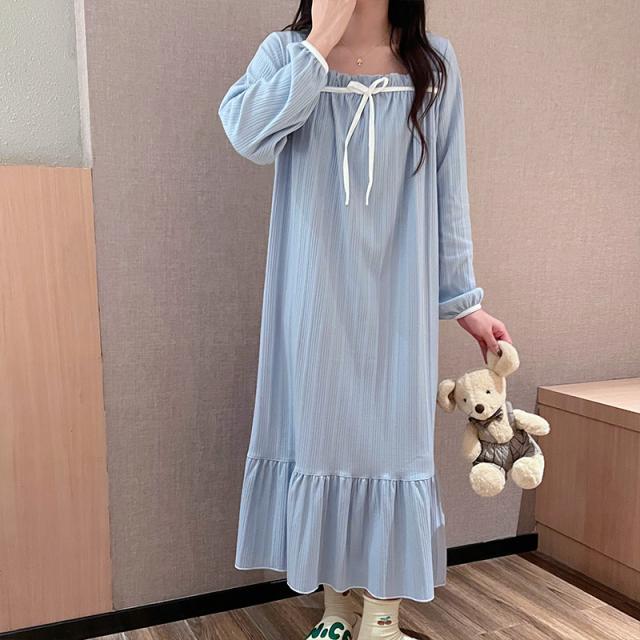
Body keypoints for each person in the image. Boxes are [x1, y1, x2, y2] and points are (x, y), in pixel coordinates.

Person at [218, 1, 512, 638]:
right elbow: (245, 133)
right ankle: (335, 609)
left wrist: (466, 302)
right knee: (322, 440)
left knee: (392, 449)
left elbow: (449, 189)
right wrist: (319, 41)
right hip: (312, 303)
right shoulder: (287, 53)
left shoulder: (433, 63)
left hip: (399, 304)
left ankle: (382, 616)